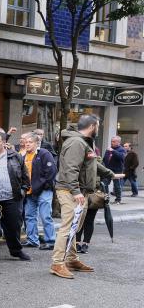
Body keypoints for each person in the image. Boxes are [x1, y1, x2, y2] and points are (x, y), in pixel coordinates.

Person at [51, 114, 104, 279]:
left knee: (75, 227)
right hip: (70, 190)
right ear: (92, 126)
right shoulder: (76, 142)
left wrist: (111, 174)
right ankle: (57, 263)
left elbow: (92, 164)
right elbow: (71, 169)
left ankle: (72, 259)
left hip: (78, 190)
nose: (99, 129)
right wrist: (76, 191)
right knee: (67, 227)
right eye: (98, 126)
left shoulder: (83, 142)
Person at [0, 130, 31, 261]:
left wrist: (22, 191)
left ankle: (16, 251)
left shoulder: (15, 156)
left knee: (13, 226)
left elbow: (25, 177)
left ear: (4, 143)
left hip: (11, 198)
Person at [21, 132, 57, 250]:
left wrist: (45, 186)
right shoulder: (23, 156)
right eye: (26, 142)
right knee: (29, 216)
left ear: (37, 143)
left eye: (30, 142)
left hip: (44, 191)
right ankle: (32, 240)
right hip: (29, 192)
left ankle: (51, 241)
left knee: (45, 216)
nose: (27, 144)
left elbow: (51, 171)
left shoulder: (44, 153)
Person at [75, 159, 118, 254]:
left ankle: (86, 243)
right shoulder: (77, 160)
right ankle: (77, 242)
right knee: (79, 219)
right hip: (80, 194)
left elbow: (107, 176)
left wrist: (102, 186)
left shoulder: (97, 162)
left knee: (89, 219)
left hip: (94, 195)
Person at [103, 135, 126, 204]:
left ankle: (118, 199)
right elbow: (105, 158)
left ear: (118, 142)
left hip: (117, 170)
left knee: (117, 185)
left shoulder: (122, 149)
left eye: (113, 141)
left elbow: (121, 157)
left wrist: (113, 151)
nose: (112, 143)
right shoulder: (109, 149)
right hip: (108, 169)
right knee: (105, 184)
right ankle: (106, 198)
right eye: (111, 141)